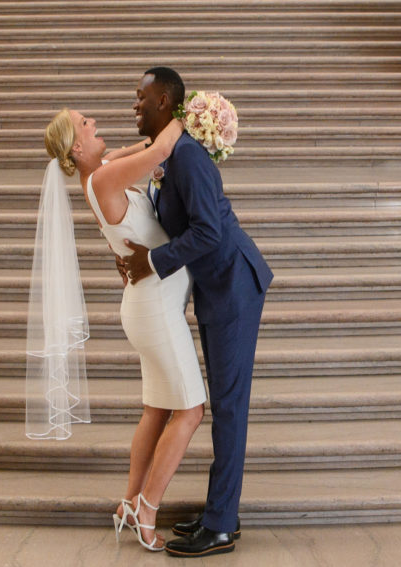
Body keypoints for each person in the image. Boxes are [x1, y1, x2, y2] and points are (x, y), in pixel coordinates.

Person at [122, 67, 273, 558]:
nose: (135, 106)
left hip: (233, 286)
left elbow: (208, 232)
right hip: (217, 290)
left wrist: (153, 261)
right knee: (223, 405)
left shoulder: (186, 158)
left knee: (228, 407)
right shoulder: (172, 155)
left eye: (141, 98)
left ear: (164, 100)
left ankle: (222, 525)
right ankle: (216, 514)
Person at [43, 108, 206, 552]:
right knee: (191, 411)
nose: (93, 122)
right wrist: (195, 110)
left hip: (148, 305)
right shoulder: (101, 181)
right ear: (76, 147)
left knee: (157, 409)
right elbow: (162, 148)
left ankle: (129, 500)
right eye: (84, 123)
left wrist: (143, 144)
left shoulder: (103, 172)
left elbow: (139, 150)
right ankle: (147, 508)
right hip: (153, 310)